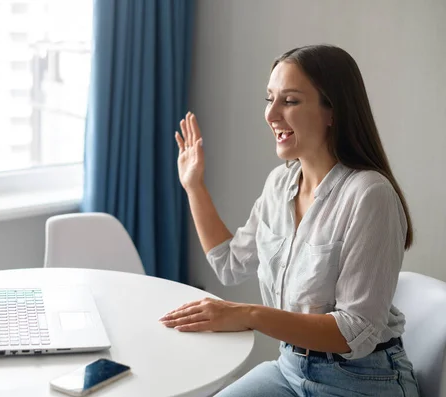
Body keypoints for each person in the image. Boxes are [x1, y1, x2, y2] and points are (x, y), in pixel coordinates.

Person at [159, 44, 420, 396]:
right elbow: (230, 263)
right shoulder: (280, 183)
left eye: (291, 101)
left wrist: (249, 315)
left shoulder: (369, 194)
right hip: (289, 368)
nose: (271, 114)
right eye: (270, 99)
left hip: (362, 380)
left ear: (333, 112)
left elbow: (353, 332)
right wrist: (193, 186)